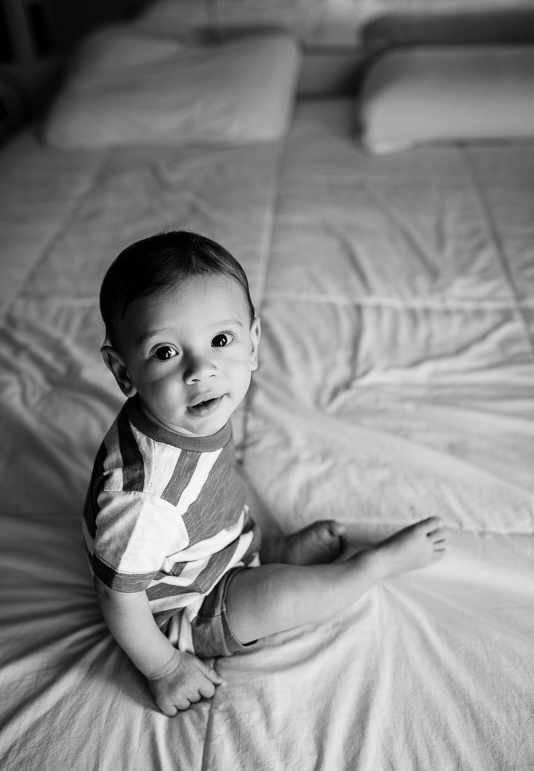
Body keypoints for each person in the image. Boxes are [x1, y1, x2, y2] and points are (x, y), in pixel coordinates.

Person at [83, 230, 447, 717]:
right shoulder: (145, 499)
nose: (202, 369)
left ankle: (266, 549)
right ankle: (369, 567)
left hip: (208, 547)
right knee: (280, 598)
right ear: (124, 371)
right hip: (181, 608)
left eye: (220, 340)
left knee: (235, 485)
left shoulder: (183, 411)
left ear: (252, 343)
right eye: (165, 352)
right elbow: (117, 600)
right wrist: (165, 668)